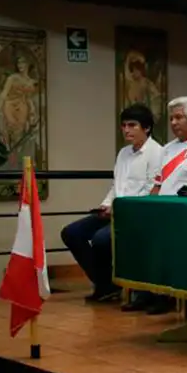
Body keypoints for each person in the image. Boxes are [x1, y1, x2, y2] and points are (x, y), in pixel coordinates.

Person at [61, 104, 162, 303]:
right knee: (71, 233)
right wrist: (105, 205)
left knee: (101, 239)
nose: (126, 130)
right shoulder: (123, 153)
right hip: (115, 209)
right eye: (123, 125)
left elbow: (151, 190)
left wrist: (119, 209)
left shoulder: (157, 153)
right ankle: (105, 283)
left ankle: (108, 285)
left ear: (146, 128)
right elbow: (117, 185)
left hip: (135, 213)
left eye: (132, 125)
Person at [123, 96, 187, 315]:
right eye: (172, 118)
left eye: (179, 117)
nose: (173, 123)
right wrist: (149, 210)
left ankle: (170, 298)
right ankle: (149, 293)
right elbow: (158, 183)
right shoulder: (168, 148)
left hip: (185, 215)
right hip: (163, 212)